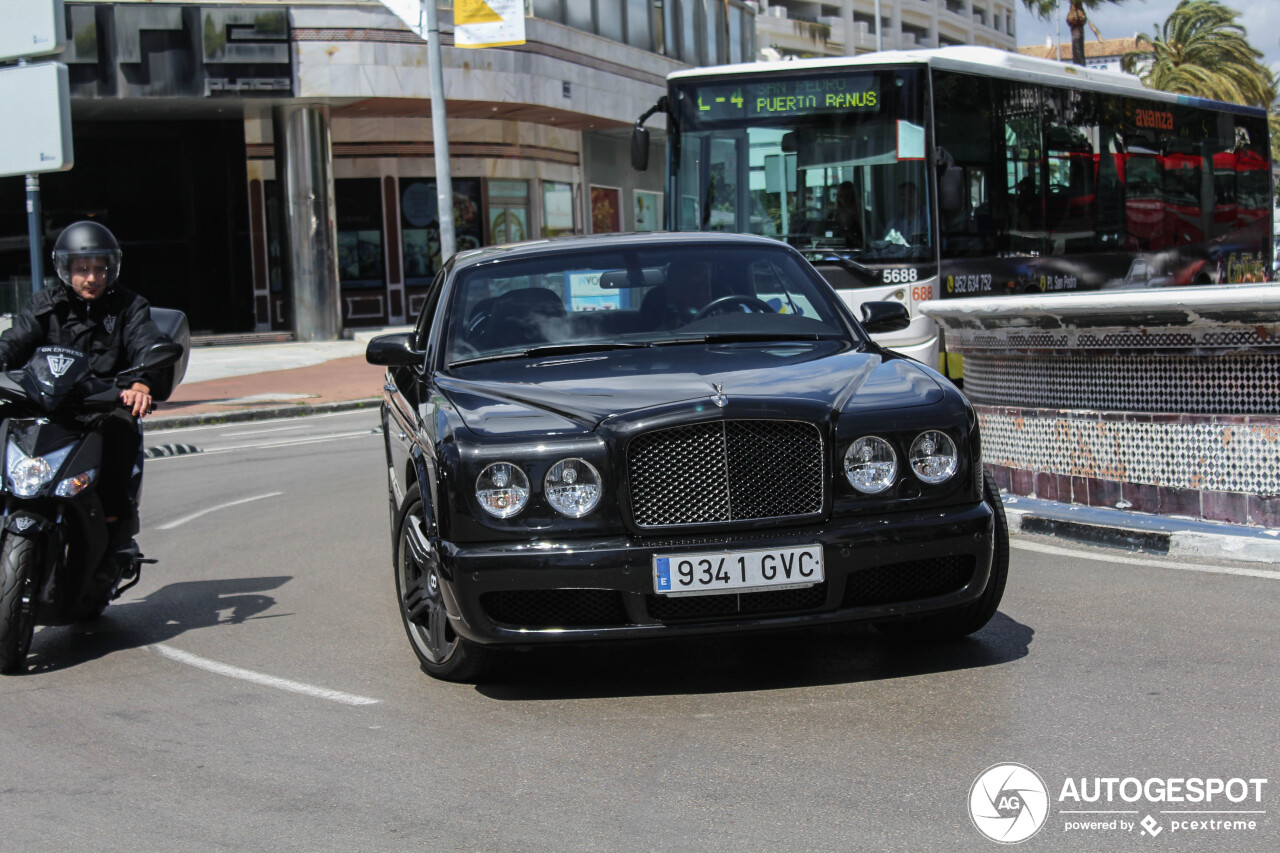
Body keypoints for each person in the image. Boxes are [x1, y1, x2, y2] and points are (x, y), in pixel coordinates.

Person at [0, 220, 167, 569]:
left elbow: (146, 343)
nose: (92, 277)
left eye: (99, 268)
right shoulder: (45, 305)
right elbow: (14, 342)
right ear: (65, 269)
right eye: (82, 269)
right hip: (47, 402)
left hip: (100, 405)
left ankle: (113, 530)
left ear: (112, 267)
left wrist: (142, 383)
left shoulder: (129, 306)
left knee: (123, 427)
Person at [828, 181, 863, 246]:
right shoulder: (833, 214)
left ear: (853, 196)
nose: (844, 199)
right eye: (840, 196)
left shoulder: (862, 216)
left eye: (847, 195)